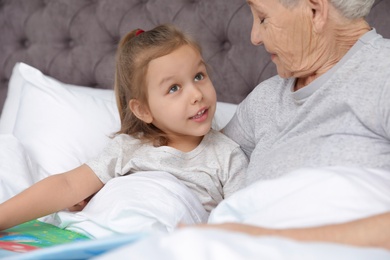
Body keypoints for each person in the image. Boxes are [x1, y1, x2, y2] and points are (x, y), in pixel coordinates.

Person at [0, 24, 248, 231]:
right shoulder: (128, 149)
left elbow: (244, 224)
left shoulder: (227, 157)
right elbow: (67, 185)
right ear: (143, 110)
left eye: (199, 76)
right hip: (101, 232)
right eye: (174, 88)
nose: (196, 94)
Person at [190, 0, 390, 250]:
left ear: (315, 11)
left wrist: (263, 238)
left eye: (262, 18)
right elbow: (200, 167)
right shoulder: (265, 98)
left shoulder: (383, 73)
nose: (254, 37)